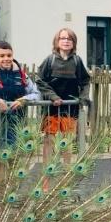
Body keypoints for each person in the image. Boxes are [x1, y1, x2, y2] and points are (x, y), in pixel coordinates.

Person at [35, 28, 90, 168]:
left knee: (67, 142)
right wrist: (53, 97)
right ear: (57, 41)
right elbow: (40, 80)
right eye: (63, 38)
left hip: (70, 109)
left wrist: (82, 98)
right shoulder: (50, 60)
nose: (66, 41)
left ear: (73, 42)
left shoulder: (77, 61)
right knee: (49, 142)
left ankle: (66, 172)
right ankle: (47, 174)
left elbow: (85, 81)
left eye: (69, 39)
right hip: (51, 109)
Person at [0, 41, 40, 147]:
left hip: (18, 124)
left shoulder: (22, 76)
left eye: (9, 55)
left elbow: (36, 94)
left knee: (15, 156)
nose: (6, 58)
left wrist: (24, 100)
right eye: (2, 56)